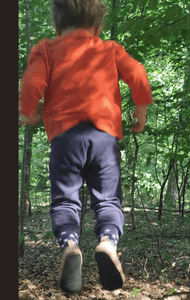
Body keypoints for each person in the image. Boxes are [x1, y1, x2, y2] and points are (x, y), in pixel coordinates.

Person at [19, 0, 153, 294]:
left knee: (65, 200)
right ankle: (107, 242)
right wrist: (140, 113)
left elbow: (31, 84)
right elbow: (138, 74)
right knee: (107, 200)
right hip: (104, 138)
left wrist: (27, 113)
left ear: (56, 24)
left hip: (65, 139)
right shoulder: (110, 50)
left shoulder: (45, 49)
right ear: (98, 26)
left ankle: (69, 246)